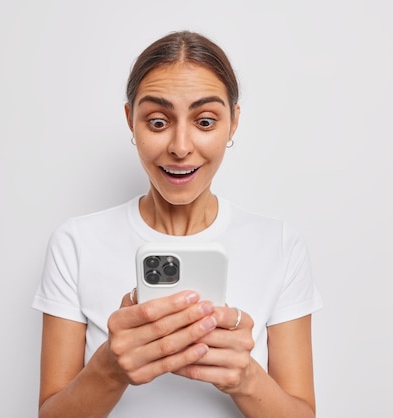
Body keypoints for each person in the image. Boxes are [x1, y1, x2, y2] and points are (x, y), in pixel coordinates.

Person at [32, 30, 323, 417]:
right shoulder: (76, 243)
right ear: (130, 121)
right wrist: (110, 369)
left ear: (233, 123)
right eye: (157, 122)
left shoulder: (280, 245)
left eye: (205, 121)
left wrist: (245, 378)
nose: (181, 147)